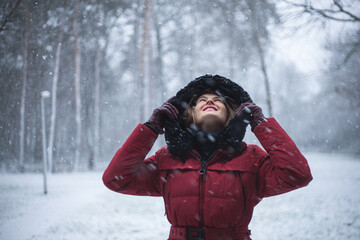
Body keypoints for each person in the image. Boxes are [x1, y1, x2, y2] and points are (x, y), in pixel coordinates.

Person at [103, 74, 313, 240]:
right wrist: (151, 128)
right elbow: (116, 179)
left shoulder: (252, 157)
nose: (209, 101)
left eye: (217, 100)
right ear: (190, 114)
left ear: (232, 113)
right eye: (201, 100)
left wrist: (261, 124)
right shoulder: (166, 158)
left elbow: (298, 174)